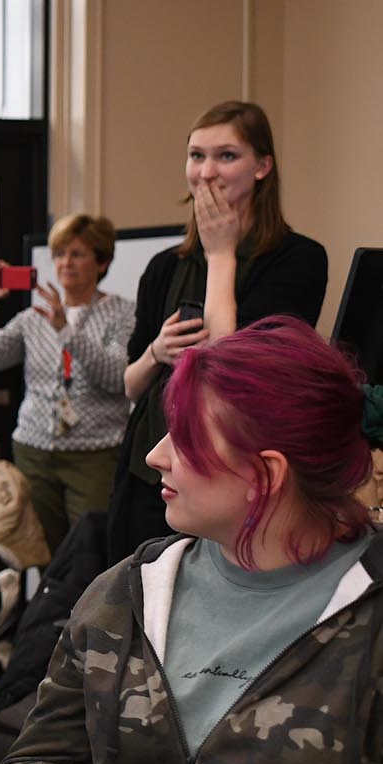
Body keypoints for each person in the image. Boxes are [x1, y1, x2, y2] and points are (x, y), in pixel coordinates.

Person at [0, 318, 382, 764]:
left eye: (186, 438)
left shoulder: (369, 618)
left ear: (265, 476)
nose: (155, 456)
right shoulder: (127, 591)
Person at [107, 99, 328, 565]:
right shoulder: (164, 267)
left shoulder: (299, 259)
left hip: (231, 478)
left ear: (262, 166)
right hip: (147, 469)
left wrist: (221, 255)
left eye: (226, 156)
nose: (206, 172)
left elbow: (233, 367)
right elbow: (129, 385)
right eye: (196, 155)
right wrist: (156, 352)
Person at [0, 214, 135, 553]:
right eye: (59, 254)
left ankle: (88, 609)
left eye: (77, 254)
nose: (65, 263)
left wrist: (66, 331)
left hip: (96, 452)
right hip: (35, 451)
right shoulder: (34, 316)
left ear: (101, 261)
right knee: (45, 552)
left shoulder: (122, 312)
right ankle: (52, 609)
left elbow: (118, 378)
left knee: (92, 549)